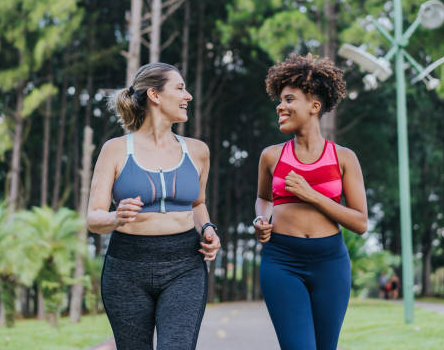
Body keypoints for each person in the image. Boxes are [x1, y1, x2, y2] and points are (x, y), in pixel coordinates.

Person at [86, 62, 221, 350]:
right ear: (155, 95)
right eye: (180, 88)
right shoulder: (116, 149)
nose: (189, 96)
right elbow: (94, 219)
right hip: (126, 268)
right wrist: (115, 217)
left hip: (185, 265)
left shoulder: (198, 151)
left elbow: (198, 203)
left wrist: (208, 228)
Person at [253, 54, 368, 350]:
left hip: (330, 263)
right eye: (280, 100)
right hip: (282, 261)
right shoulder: (271, 156)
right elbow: (263, 199)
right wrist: (260, 220)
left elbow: (360, 222)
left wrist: (311, 194)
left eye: (290, 99)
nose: (281, 106)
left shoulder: (344, 158)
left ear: (314, 107)